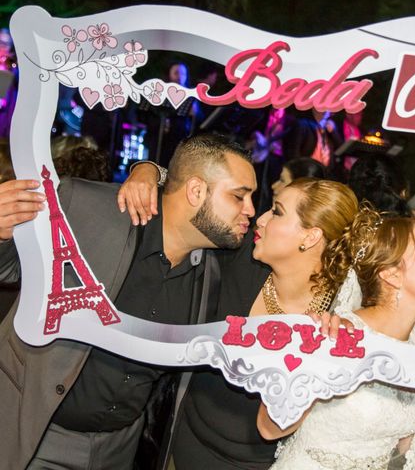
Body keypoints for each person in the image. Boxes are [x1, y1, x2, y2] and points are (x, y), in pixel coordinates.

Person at [0, 133, 256, 469]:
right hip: (34, 431)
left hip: (119, 449)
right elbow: (9, 270)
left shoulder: (215, 267)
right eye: (239, 197)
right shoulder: (88, 205)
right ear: (195, 191)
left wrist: (151, 169)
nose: (251, 210)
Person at [118, 167, 359, 469]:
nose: (261, 219)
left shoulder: (335, 318)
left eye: (277, 212)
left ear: (310, 237)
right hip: (178, 447)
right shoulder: (242, 257)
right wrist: (149, 171)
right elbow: (196, 200)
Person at [257, 211, 415, 469]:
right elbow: (268, 428)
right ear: (391, 273)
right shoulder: (334, 335)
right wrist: (318, 364)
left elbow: (406, 446)